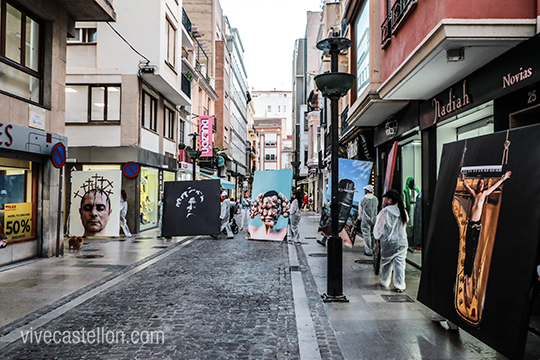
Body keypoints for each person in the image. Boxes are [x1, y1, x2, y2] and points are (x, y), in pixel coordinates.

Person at [460, 170, 511, 306]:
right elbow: (467, 187)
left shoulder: (484, 194)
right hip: (471, 225)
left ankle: (468, 279)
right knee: (468, 251)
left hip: (476, 226)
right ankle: (466, 279)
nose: (481, 186)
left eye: (483, 184)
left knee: (472, 252)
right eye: (480, 184)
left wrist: (504, 178)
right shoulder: (475, 194)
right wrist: (463, 178)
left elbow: (494, 187)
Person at [373, 189, 408, 292]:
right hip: (402, 241)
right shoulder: (403, 211)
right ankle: (400, 285)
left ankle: (385, 281)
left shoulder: (385, 212)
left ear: (389, 200)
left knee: (386, 263)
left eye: (386, 198)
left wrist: (377, 237)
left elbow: (378, 228)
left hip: (388, 242)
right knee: (400, 264)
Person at [359, 184, 379, 256]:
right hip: (374, 218)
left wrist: (359, 218)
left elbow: (360, 211)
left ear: (366, 190)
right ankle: (373, 248)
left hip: (365, 219)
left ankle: (368, 250)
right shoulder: (375, 199)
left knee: (366, 234)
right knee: (373, 234)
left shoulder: (363, 199)